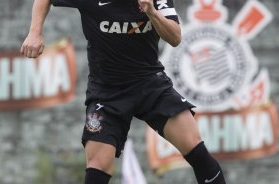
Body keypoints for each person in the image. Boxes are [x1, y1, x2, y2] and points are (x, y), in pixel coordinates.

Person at [20, 0, 226, 183]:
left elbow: (175, 37)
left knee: (195, 148)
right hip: (106, 92)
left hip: (150, 84)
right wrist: (34, 32)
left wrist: (152, 12)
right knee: (98, 167)